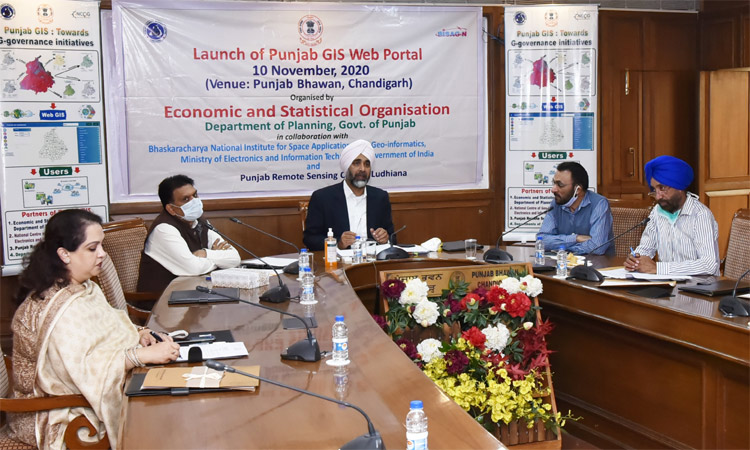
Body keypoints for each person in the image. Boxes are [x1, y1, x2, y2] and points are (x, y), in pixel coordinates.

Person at [8, 209, 180, 449]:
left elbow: (106, 330)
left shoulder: (83, 287)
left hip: (78, 396)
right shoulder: (58, 308)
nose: (102, 254)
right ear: (64, 254)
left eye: (101, 245)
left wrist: (139, 334)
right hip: (57, 412)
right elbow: (84, 370)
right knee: (161, 419)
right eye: (92, 248)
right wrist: (139, 356)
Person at [137, 175, 240, 293]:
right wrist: (219, 259)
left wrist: (204, 253)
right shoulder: (163, 229)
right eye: (186, 199)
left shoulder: (200, 222)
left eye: (195, 195)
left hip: (193, 294)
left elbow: (234, 258)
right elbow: (194, 268)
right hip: (162, 299)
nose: (194, 201)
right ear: (171, 209)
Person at [624, 155, 719, 275]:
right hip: (666, 283)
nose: (658, 196)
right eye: (654, 190)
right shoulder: (657, 212)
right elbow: (646, 248)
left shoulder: (700, 215)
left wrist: (659, 268)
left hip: (701, 284)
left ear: (679, 187)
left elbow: (708, 265)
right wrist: (636, 260)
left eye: (662, 188)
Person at [303, 139, 395, 251]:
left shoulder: (380, 197)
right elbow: (310, 239)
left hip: (372, 259)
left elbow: (393, 237)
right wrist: (338, 243)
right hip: (338, 260)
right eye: (356, 163)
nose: (362, 169)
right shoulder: (323, 198)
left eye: (367, 164)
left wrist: (385, 238)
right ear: (346, 167)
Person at [536, 161, 614, 255]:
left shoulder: (599, 204)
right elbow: (541, 240)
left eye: (560, 185)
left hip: (595, 263)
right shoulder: (556, 204)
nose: (553, 189)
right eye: (554, 183)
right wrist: (575, 238)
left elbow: (597, 247)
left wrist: (563, 247)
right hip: (562, 262)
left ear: (578, 190)